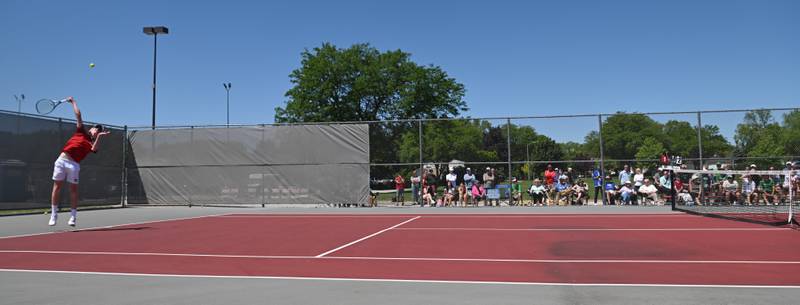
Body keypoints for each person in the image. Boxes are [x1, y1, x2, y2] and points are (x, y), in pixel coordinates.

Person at [48, 97, 111, 227]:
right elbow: (78, 114)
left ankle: (73, 217)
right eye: (96, 129)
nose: (96, 131)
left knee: (73, 190)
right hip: (61, 160)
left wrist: (99, 137)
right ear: (92, 128)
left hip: (74, 165)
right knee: (57, 187)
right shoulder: (81, 130)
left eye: (99, 131)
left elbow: (94, 149)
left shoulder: (91, 143)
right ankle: (53, 214)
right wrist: (73, 102)